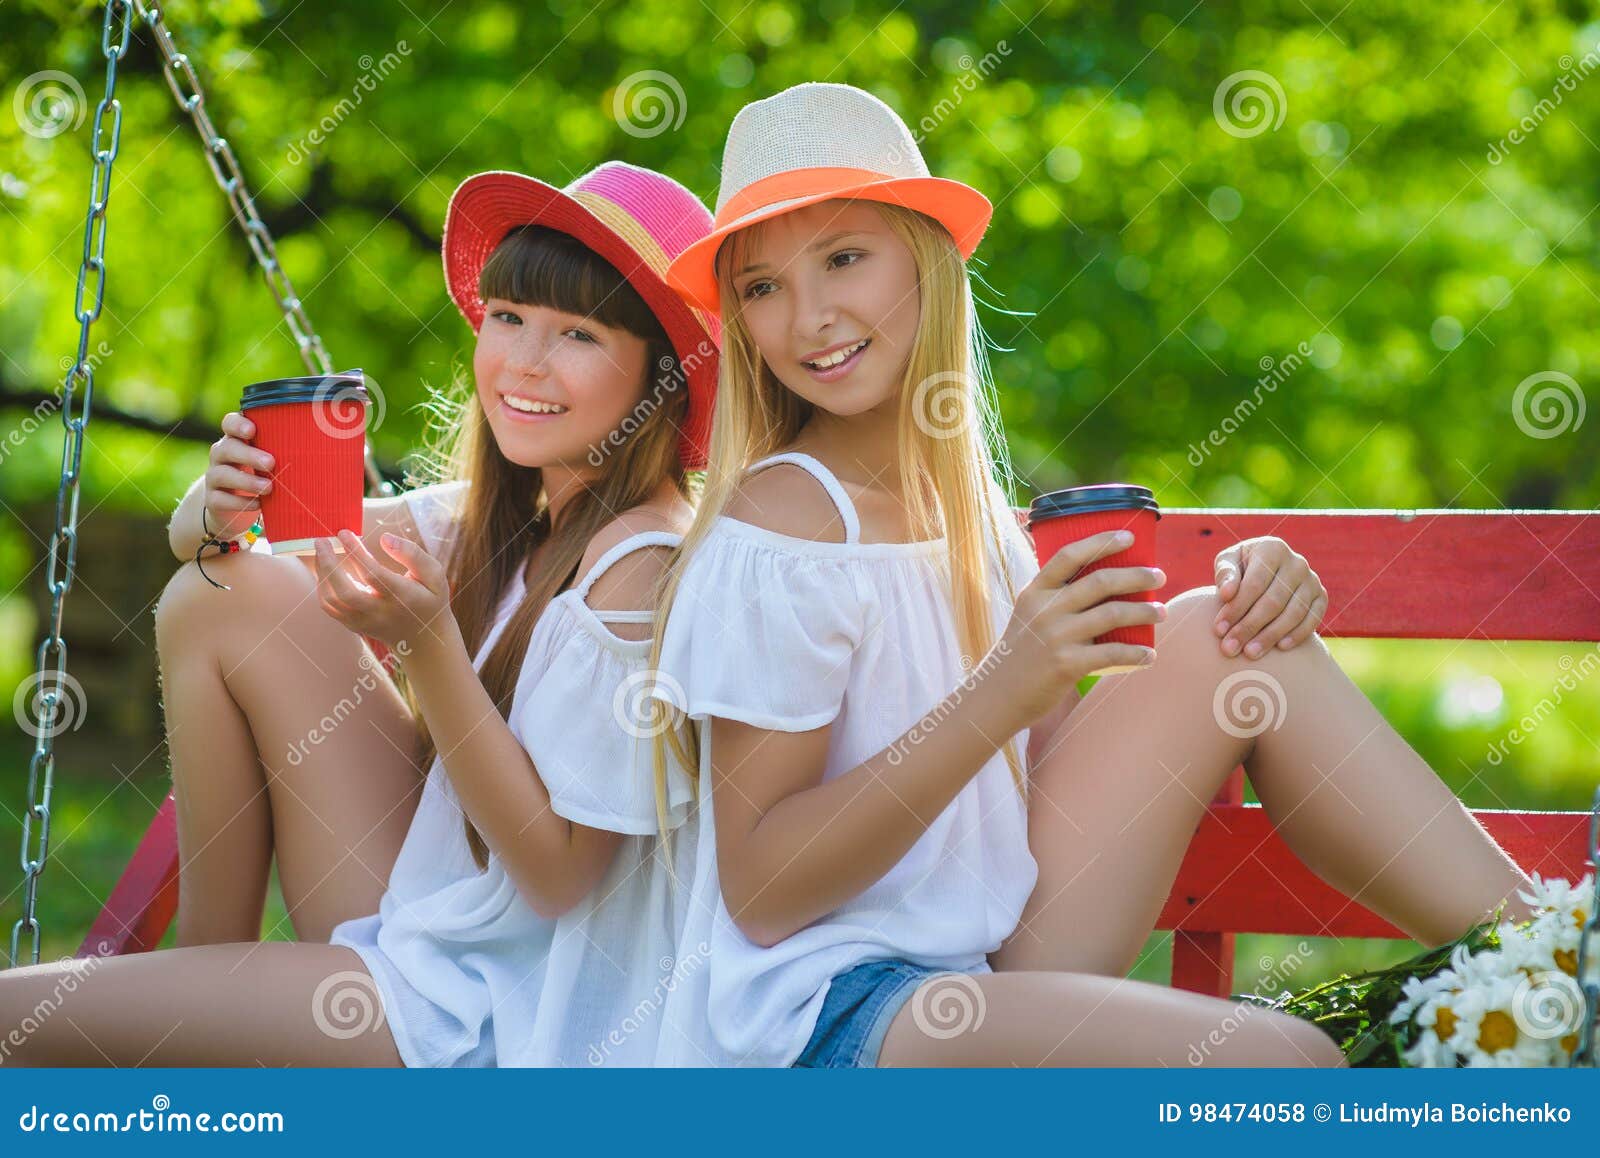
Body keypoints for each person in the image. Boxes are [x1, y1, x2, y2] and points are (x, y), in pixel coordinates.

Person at [643, 82, 1534, 1069]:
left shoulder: (966, 511)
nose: (808, 316)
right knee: (1283, 1064)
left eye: (843, 258)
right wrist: (1002, 689)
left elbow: (1017, 789)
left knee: (1228, 639)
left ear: (925, 263)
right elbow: (763, 893)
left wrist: (1256, 587)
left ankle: (1551, 970)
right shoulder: (781, 525)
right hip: (822, 1022)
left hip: (971, 960)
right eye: (761, 287)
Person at [0, 161, 714, 1067]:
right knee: (225, 592)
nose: (525, 363)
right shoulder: (514, 517)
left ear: (660, 376)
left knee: (16, 1027)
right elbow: (266, 545)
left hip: (500, 1016)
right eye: (508, 319)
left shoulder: (642, 566)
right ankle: (208, 980)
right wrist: (212, 509)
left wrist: (431, 651)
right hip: (433, 924)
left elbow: (560, 878)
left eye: (578, 333)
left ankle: (200, 1020)